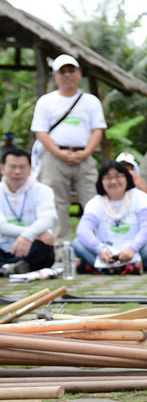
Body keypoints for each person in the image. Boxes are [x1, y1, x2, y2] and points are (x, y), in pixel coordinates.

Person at [30, 54, 107, 243]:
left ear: (79, 73)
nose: (67, 75)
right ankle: (59, 247)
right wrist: (59, 153)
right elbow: (40, 132)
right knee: (56, 203)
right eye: (62, 72)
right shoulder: (46, 101)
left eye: (71, 70)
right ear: (55, 76)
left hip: (85, 156)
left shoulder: (91, 101)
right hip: (54, 158)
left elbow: (98, 130)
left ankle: (97, 244)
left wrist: (86, 152)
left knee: (92, 201)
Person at [72, 161, 147, 275]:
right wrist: (100, 250)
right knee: (77, 244)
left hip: (135, 248)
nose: (113, 181)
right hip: (106, 251)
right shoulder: (95, 202)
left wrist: (132, 249)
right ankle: (127, 268)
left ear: (127, 178)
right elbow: (83, 230)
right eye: (108, 177)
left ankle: (100, 267)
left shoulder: (141, 197)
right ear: (101, 181)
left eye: (118, 176)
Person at [0, 148, 57, 277]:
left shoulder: (43, 190)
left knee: (45, 248)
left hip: (31, 247)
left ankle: (7, 268)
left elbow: (47, 219)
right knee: (44, 236)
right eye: (13, 167)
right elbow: (2, 227)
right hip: (3, 246)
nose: (17, 171)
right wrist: (33, 234)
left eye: (22, 167)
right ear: (2, 168)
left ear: (30, 169)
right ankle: (13, 267)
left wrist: (28, 237)